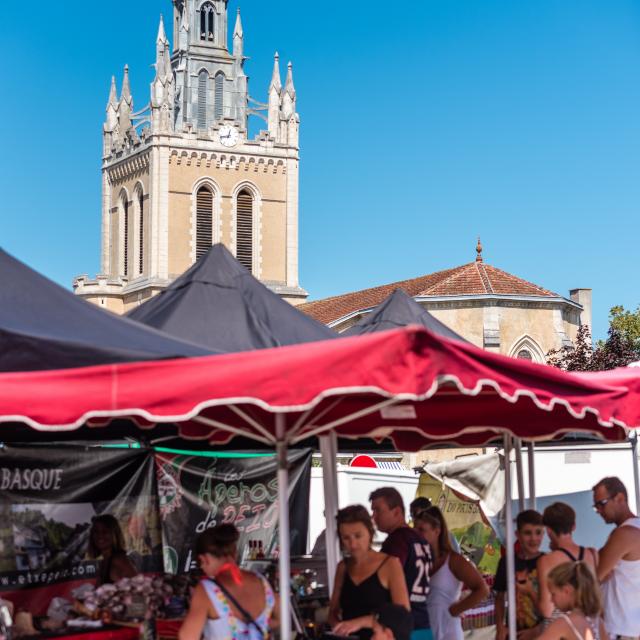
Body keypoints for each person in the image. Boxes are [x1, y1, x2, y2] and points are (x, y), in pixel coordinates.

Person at [179, 524, 278, 640]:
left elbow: (187, 636)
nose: (203, 570)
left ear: (204, 559)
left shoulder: (208, 589)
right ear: (235, 553)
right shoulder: (261, 581)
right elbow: (281, 618)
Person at [330, 505, 409, 639]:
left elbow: (403, 614)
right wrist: (339, 626)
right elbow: (333, 611)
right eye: (346, 538)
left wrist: (359, 623)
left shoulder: (390, 564)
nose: (353, 544)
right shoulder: (343, 567)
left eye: (358, 536)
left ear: (370, 533)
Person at [413, 507, 489, 640]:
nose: (417, 533)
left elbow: (482, 589)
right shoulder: (417, 561)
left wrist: (457, 609)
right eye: (415, 529)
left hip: (448, 631)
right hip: (423, 631)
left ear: (437, 531)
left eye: (422, 530)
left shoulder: (453, 560)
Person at [370, 488, 433, 640]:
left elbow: (384, 580)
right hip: (425, 623)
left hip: (404, 627)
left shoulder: (397, 541)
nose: (373, 517)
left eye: (378, 511)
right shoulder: (419, 538)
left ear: (397, 512)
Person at [592, 476, 640, 640]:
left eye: (601, 503)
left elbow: (593, 576)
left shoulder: (624, 534)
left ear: (620, 498)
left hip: (622, 630)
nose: (598, 510)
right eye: (595, 506)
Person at [537, 502, 598, 621]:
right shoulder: (591, 554)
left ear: (548, 530)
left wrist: (529, 591)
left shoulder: (546, 561)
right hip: (588, 625)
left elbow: (546, 610)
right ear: (574, 526)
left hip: (559, 626)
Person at [494, 510, 545, 640]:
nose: (533, 538)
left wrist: (537, 631)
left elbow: (554, 609)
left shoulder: (547, 562)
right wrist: (500, 627)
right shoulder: (507, 562)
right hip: (513, 632)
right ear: (518, 535)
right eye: (528, 533)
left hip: (542, 634)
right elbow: (499, 597)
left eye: (538, 532)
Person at [537, 561, 607, 640]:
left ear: (566, 590)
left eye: (553, 594)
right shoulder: (598, 622)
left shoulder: (564, 623)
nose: (551, 600)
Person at [87, 514, 137, 585]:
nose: (100, 535)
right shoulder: (104, 562)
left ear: (114, 534)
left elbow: (140, 588)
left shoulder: (119, 560)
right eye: (96, 531)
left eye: (105, 531)